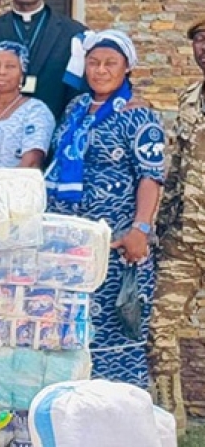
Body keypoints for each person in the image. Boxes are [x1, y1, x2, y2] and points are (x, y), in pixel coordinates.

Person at [45, 30, 165, 389]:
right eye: (94, 63)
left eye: (110, 63)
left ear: (127, 67)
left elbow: (151, 176)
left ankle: (119, 417)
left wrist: (140, 229)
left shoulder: (139, 115)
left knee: (115, 331)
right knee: (72, 330)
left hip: (117, 245)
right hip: (70, 243)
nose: (100, 70)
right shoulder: (75, 108)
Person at [150, 17, 205, 432]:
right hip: (185, 237)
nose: (203, 47)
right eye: (199, 41)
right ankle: (170, 422)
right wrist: (163, 227)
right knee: (161, 328)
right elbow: (177, 172)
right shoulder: (189, 100)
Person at [0, 41, 55, 168]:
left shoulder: (35, 110)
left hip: (16, 186)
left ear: (22, 74)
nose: (2, 72)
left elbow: (31, 163)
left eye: (10, 66)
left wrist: (7, 187)